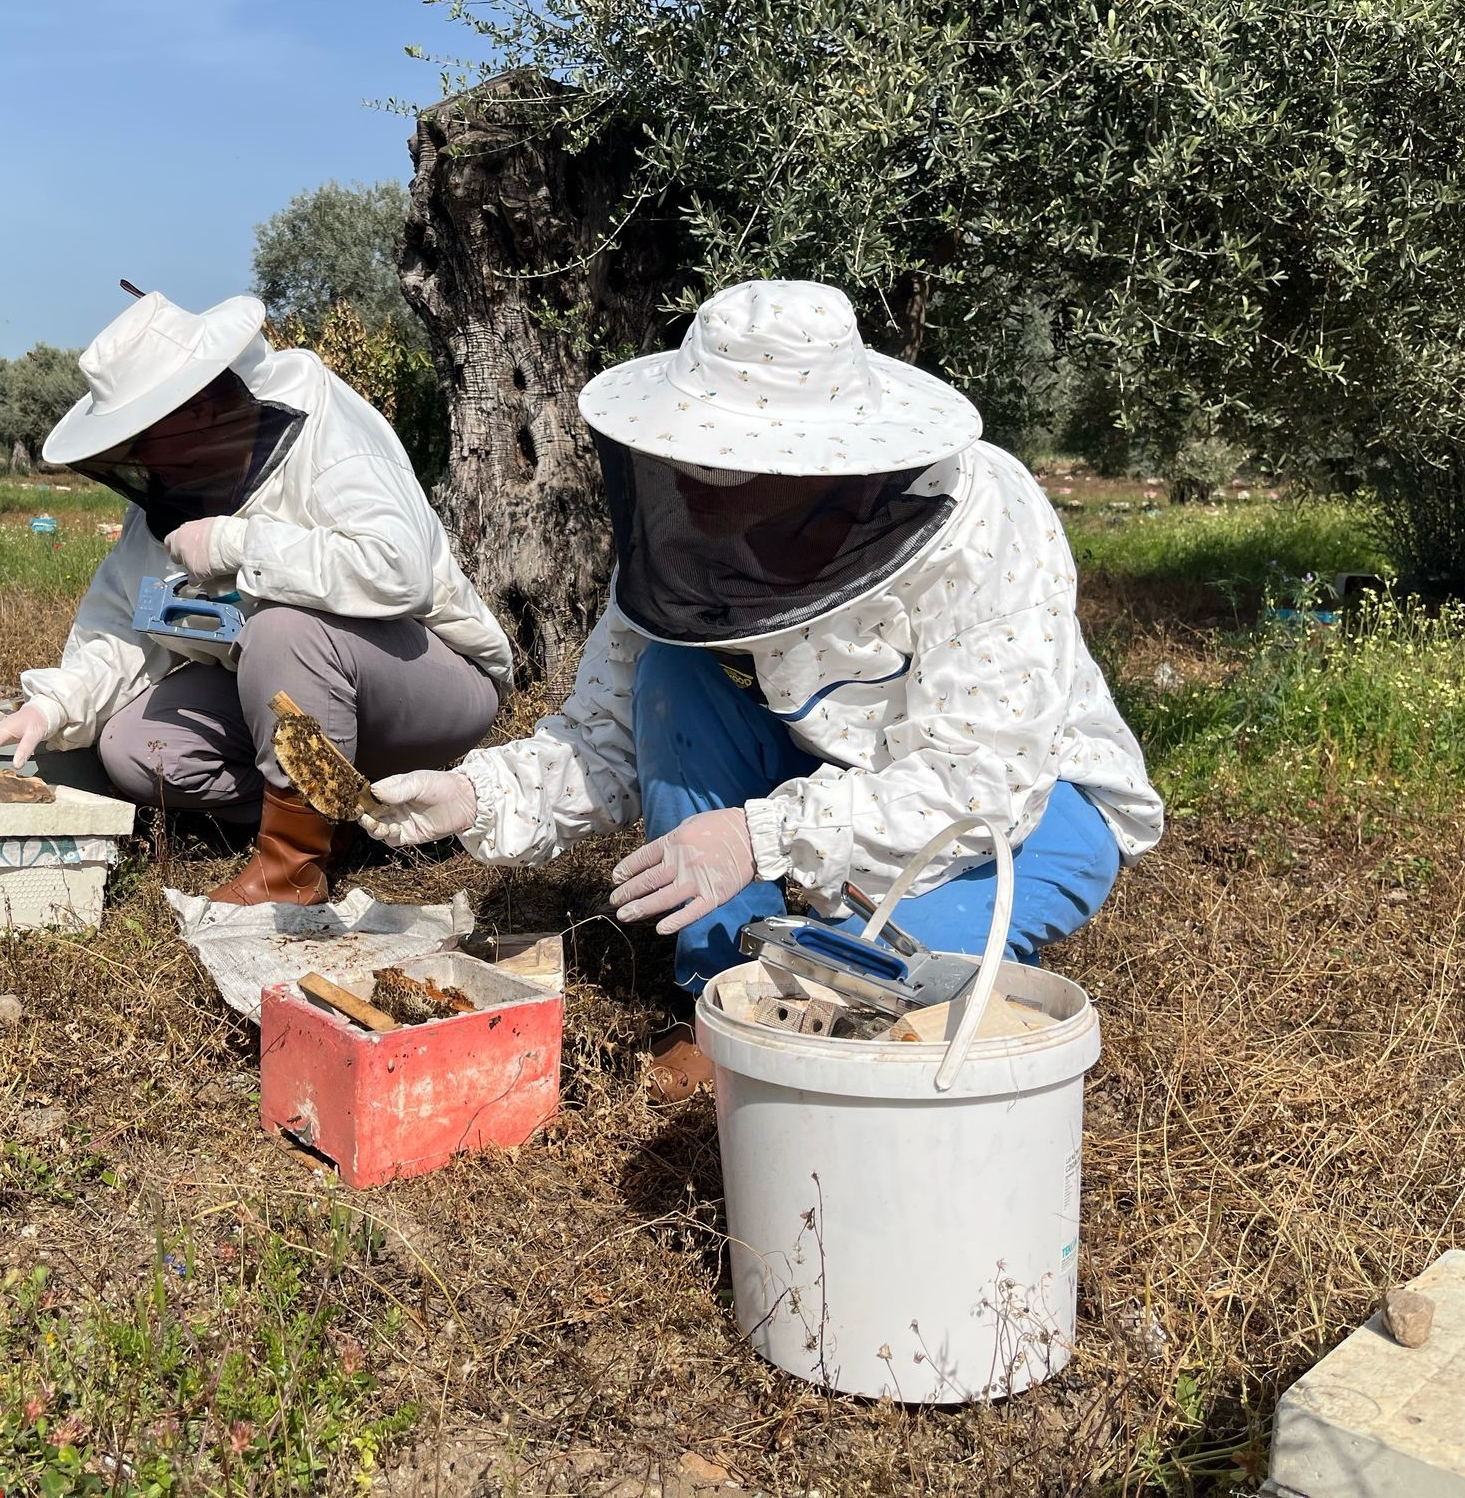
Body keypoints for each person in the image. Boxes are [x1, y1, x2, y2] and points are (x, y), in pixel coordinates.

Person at [360, 280, 1163, 1095]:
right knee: (677, 666)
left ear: (834, 464)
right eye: (694, 465)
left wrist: (758, 839)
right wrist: (473, 795)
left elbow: (981, 782)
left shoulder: (988, 518)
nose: (703, 498)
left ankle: (802, 977)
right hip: (816, 767)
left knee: (875, 982)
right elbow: (607, 731)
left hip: (1032, 799)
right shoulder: (676, 548)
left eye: (736, 473)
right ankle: (712, 995)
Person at [0, 291, 513, 906]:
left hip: (431, 682)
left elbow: (395, 569)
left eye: (144, 433)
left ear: (194, 409)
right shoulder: (170, 497)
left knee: (282, 631)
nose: (138, 455)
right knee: (135, 749)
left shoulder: (329, 431)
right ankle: (339, 822)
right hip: (290, 687)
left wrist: (235, 544)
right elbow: (123, 623)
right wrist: (49, 708)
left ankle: (292, 871)